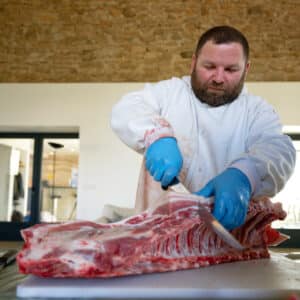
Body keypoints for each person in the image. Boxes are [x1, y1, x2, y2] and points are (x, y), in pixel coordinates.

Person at [111, 25, 296, 230]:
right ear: (193, 62)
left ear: (247, 69)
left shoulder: (257, 111)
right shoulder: (170, 93)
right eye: (209, 67)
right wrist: (157, 135)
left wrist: (245, 174)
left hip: (233, 239)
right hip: (161, 236)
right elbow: (128, 108)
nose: (218, 78)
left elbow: (278, 150)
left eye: (230, 70)